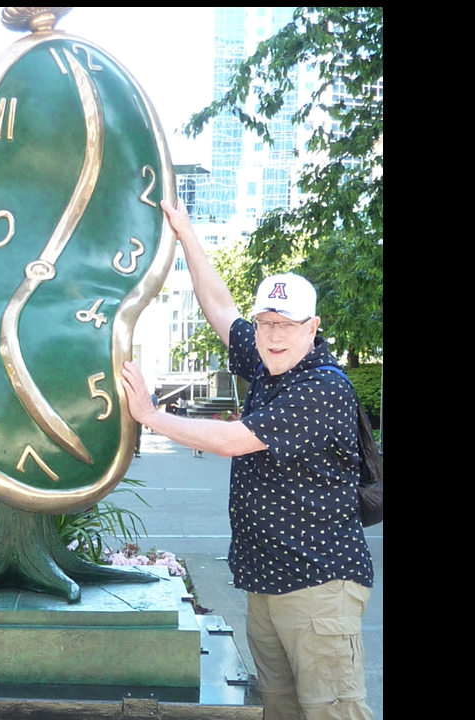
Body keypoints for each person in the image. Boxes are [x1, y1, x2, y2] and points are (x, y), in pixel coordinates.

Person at [120, 199, 374, 720]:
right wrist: (186, 234)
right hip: (266, 581)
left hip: (318, 585)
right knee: (280, 709)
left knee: (334, 711)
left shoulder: (322, 388)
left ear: (312, 327)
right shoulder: (265, 359)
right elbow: (219, 307)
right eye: (266, 322)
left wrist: (150, 416)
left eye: (287, 324)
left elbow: (232, 440)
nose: (274, 334)